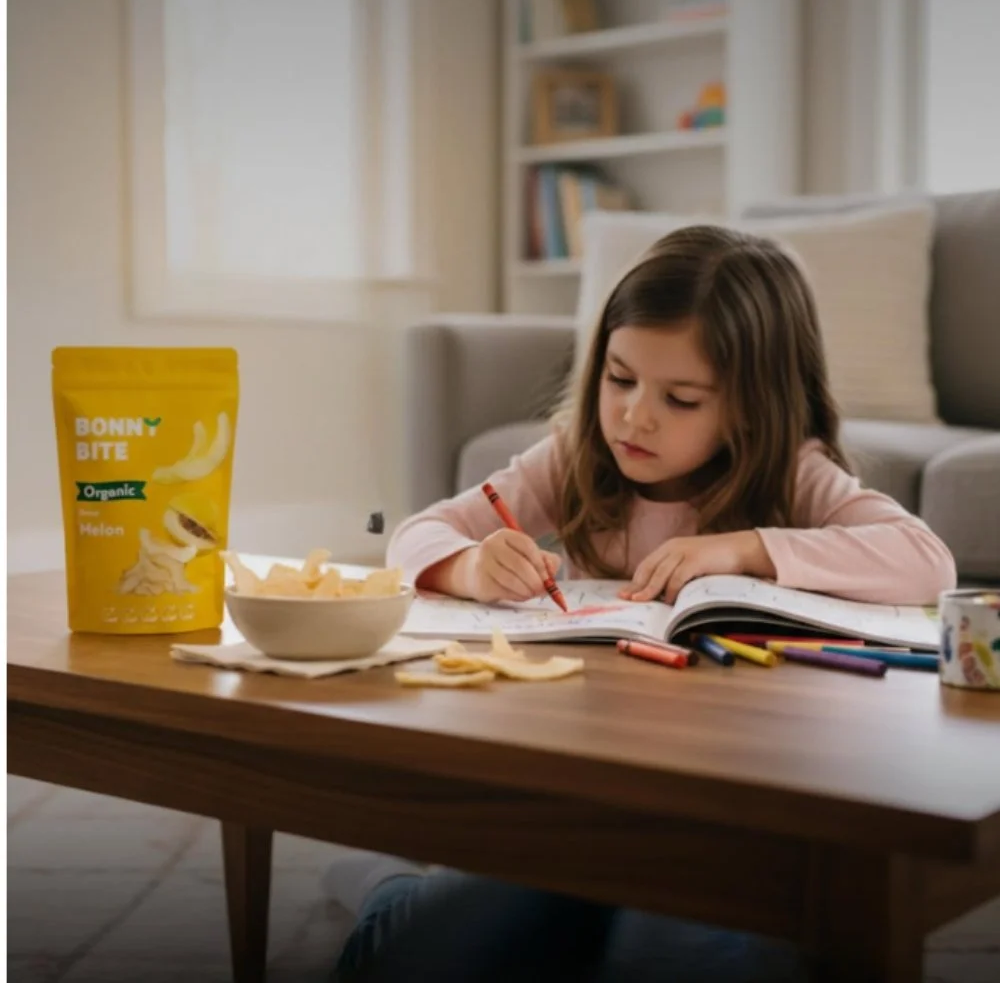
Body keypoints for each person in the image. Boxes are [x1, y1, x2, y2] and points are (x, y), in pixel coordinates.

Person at [327, 225, 957, 981]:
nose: (634, 418)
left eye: (681, 398)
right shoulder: (571, 459)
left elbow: (928, 561)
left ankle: (401, 890)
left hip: (721, 786)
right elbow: (418, 534)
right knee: (406, 943)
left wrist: (744, 547)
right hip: (578, 774)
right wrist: (468, 567)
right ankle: (387, 886)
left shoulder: (794, 474)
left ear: (751, 409)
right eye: (619, 380)